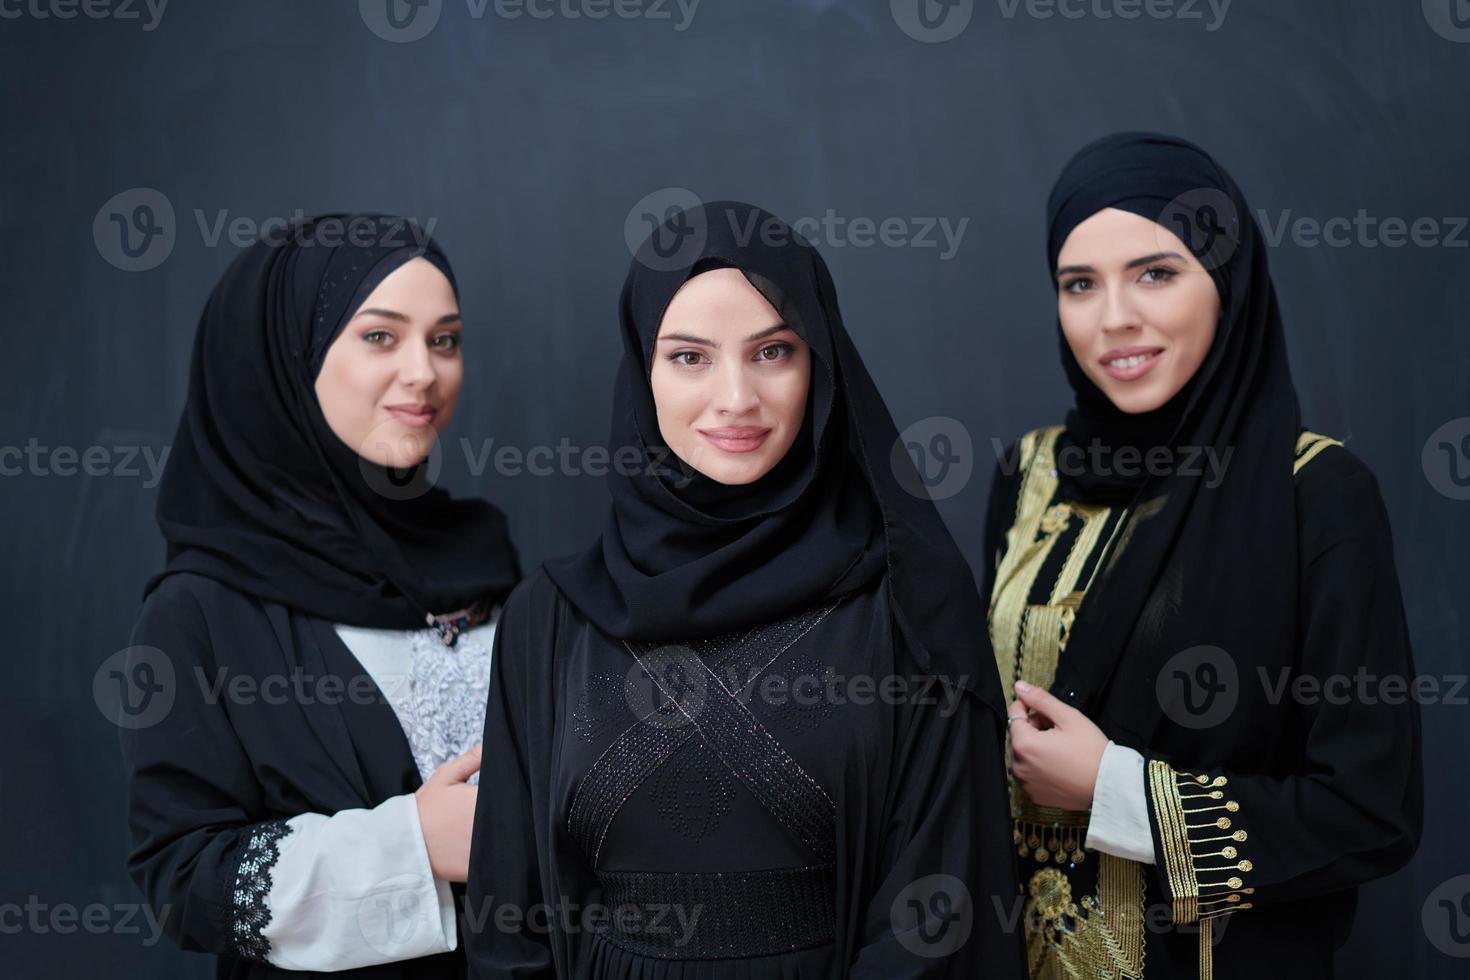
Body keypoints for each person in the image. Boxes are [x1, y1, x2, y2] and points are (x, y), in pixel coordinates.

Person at [465, 201, 1025, 978]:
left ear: (821, 365)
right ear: (643, 371)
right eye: (690, 357)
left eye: (772, 352)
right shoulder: (550, 617)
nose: (735, 398)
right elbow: (507, 927)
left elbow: (936, 920)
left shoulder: (908, 604)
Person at [985, 133, 1423, 978]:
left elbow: (1371, 811)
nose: (1114, 317)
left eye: (1156, 272)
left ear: (1227, 283)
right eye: (1080, 284)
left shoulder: (1316, 493)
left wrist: (1117, 791)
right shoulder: (1029, 474)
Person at [120, 214, 520, 977]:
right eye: (380, 336)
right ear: (287, 360)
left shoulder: (492, 566)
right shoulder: (201, 612)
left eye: (444, 339)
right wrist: (410, 846)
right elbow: (182, 882)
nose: (425, 373)